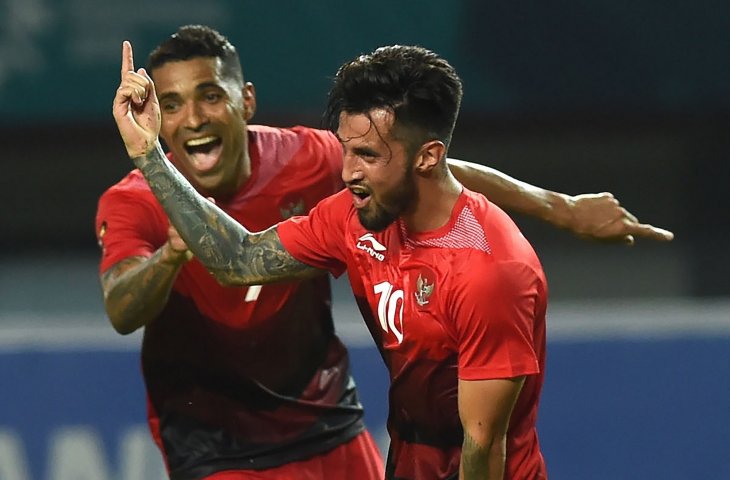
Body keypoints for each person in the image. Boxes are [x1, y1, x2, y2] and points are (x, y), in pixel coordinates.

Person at [107, 27, 672, 480]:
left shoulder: (489, 272)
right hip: (333, 451)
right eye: (347, 153)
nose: (346, 172)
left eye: (366, 156)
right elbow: (238, 262)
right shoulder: (354, 213)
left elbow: (482, 446)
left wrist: (559, 209)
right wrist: (149, 156)